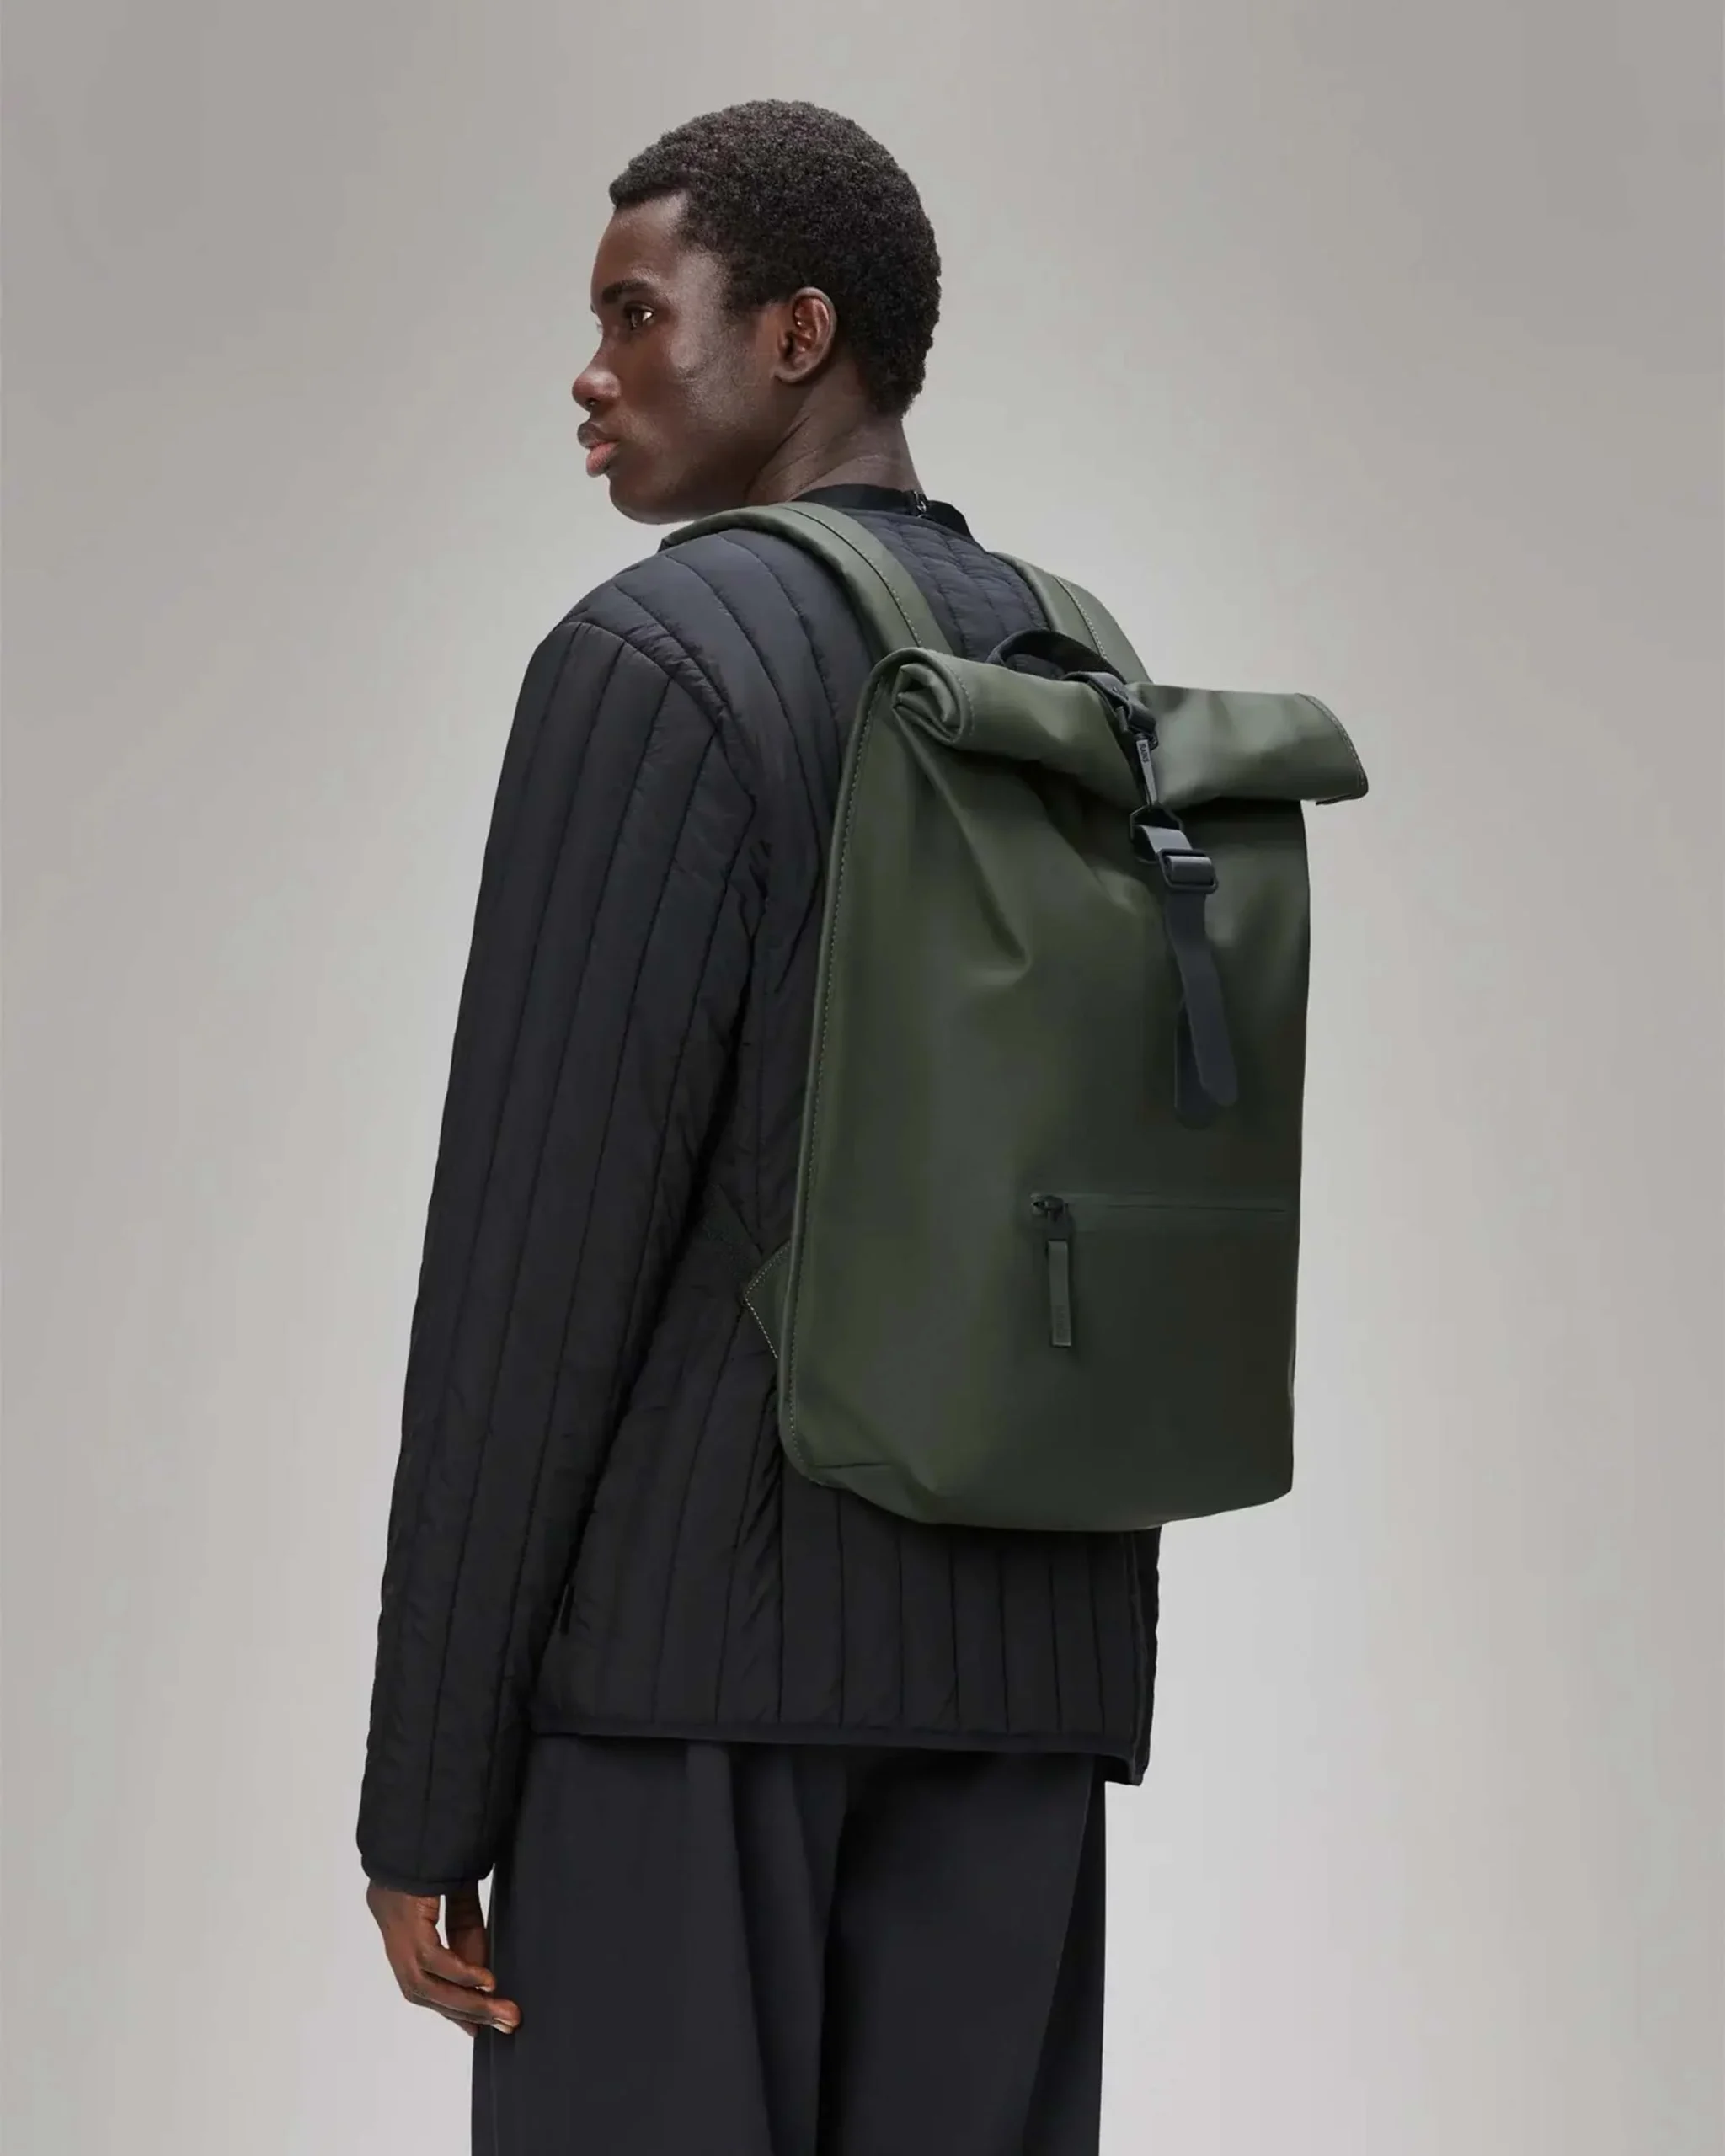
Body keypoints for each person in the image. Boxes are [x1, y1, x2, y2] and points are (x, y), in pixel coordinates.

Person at [356, 99, 1160, 2156]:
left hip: (681, 1710)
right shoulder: (1081, 669)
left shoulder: (649, 664)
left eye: (638, 314)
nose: (591, 370)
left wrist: (424, 1792)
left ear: (800, 334)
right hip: (1024, 1694)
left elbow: (534, 1260)